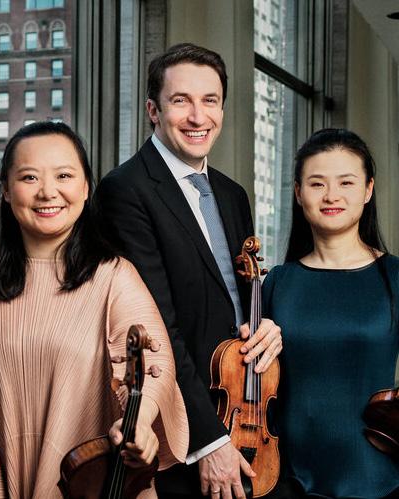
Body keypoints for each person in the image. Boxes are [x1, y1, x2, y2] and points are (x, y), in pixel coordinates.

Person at [0, 121, 188, 499]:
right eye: (29, 177)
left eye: (64, 175)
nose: (48, 191)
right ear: (5, 191)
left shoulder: (114, 276)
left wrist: (140, 423)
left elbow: (155, 363)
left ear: (85, 188)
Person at [95, 43, 282, 498]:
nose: (198, 117)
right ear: (153, 111)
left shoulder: (232, 194)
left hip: (244, 410)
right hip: (180, 432)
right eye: (181, 101)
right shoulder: (125, 190)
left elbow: (238, 301)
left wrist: (266, 327)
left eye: (210, 100)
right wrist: (209, 441)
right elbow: (158, 327)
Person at [262, 128, 399, 499]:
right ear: (298, 192)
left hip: (379, 480)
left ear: (368, 190)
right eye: (317, 183)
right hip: (285, 480)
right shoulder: (277, 282)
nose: (331, 195)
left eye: (346, 182)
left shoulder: (395, 277)